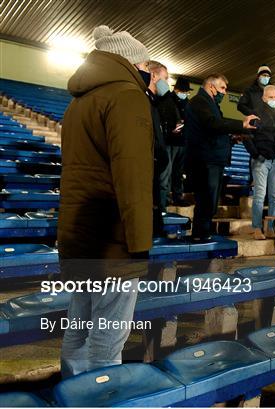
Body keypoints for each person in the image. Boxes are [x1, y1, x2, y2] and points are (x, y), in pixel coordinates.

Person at [58, 25, 153, 377]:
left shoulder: (77, 102)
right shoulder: (127, 96)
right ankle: (99, 397)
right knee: (107, 342)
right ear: (130, 63)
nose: (147, 72)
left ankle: (71, 395)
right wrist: (139, 243)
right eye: (145, 65)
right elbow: (133, 174)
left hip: (79, 234)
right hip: (112, 237)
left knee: (78, 329)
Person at [184, 74, 258, 240]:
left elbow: (214, 130)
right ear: (211, 86)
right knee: (206, 201)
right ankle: (200, 236)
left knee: (209, 202)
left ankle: (203, 233)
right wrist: (241, 124)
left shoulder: (211, 104)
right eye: (222, 88)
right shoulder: (199, 102)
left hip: (212, 158)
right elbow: (212, 124)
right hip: (205, 160)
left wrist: (232, 138)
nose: (224, 93)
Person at [243, 85, 275, 240]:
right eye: (270, 97)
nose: (273, 100)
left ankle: (271, 228)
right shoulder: (256, 113)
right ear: (263, 98)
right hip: (261, 160)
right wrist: (256, 153)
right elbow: (247, 135)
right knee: (259, 195)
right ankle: (256, 228)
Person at [146, 61, 170, 235]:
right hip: (148, 168)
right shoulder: (144, 102)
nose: (167, 83)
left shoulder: (155, 103)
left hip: (155, 166)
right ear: (154, 76)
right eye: (166, 78)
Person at [170, 77, 193, 206]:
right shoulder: (169, 100)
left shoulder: (187, 103)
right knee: (167, 172)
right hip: (171, 141)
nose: (185, 94)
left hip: (183, 141)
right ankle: (166, 197)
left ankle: (178, 196)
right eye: (183, 91)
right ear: (176, 89)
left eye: (186, 92)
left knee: (178, 172)